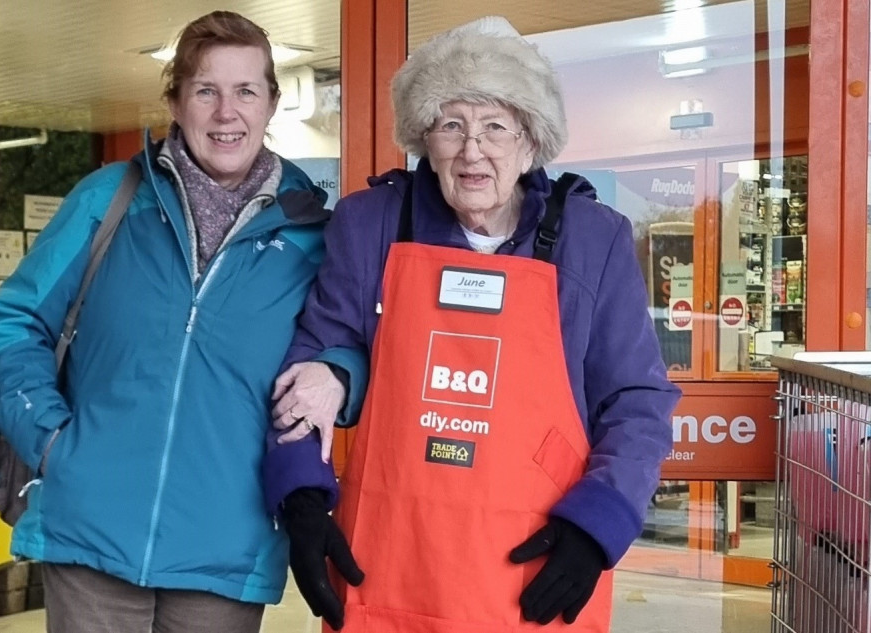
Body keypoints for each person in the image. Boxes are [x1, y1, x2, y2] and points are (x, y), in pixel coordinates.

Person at [262, 15, 682, 632]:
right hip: (389, 565)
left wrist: (599, 523)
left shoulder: (595, 240)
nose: (472, 149)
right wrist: (302, 498)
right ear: (423, 138)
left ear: (530, 141)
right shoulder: (371, 223)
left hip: (535, 568)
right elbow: (313, 360)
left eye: (494, 127)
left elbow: (637, 401)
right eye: (450, 125)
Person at [0, 11, 360, 633]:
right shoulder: (110, 199)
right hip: (90, 537)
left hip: (225, 547)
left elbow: (349, 343)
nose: (225, 112)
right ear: (177, 102)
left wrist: (341, 373)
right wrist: (52, 443)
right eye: (206, 90)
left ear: (271, 104)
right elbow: (15, 322)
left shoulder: (312, 235)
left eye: (245, 91)